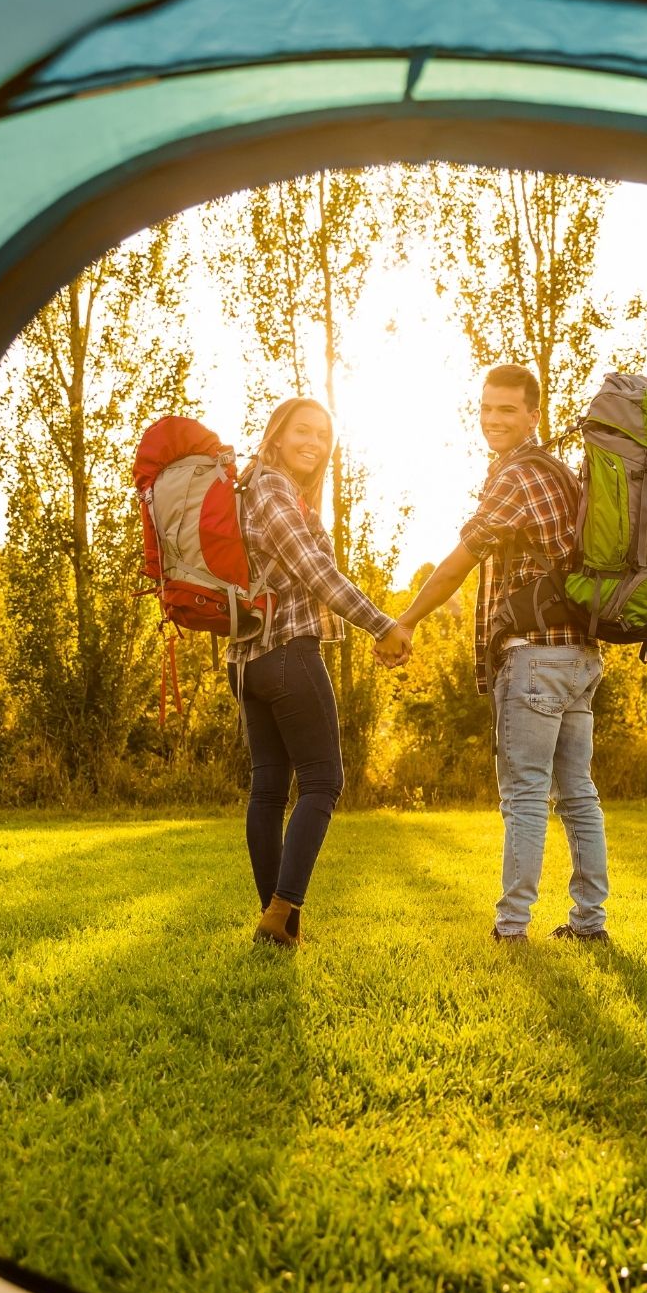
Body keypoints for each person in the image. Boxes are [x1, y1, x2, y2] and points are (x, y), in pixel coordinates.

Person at [382, 364, 608, 944]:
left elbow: (458, 563)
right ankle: (589, 924)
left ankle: (511, 927)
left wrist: (404, 620)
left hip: (534, 657)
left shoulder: (516, 478)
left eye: (507, 410)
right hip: (579, 658)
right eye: (486, 408)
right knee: (578, 793)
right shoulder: (559, 473)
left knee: (526, 794)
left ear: (534, 414)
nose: (493, 420)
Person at [232, 398, 410, 947]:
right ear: (277, 433)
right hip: (288, 652)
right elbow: (316, 573)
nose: (314, 442)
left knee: (269, 789)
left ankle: (278, 922)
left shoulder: (248, 488)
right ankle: (282, 911)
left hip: (246, 663)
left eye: (323, 435)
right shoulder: (271, 487)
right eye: (303, 430)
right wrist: (382, 624)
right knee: (323, 781)